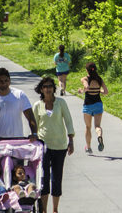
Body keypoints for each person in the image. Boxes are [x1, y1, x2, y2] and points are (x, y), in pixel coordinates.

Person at [33, 77, 75, 213]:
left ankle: (55, 209)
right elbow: (34, 126)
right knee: (44, 179)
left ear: (53, 88)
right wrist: (34, 145)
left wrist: (71, 140)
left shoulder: (61, 103)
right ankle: (44, 210)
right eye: (45, 86)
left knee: (57, 178)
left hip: (60, 146)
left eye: (50, 86)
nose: (48, 88)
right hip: (43, 146)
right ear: (41, 89)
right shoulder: (37, 105)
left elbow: (68, 121)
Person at [77, 63, 108, 154]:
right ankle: (99, 135)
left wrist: (81, 91)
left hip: (88, 105)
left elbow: (86, 87)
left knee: (88, 127)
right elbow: (106, 92)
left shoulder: (85, 79)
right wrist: (99, 91)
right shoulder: (99, 79)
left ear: (87, 70)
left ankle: (88, 147)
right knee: (97, 126)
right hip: (98, 104)